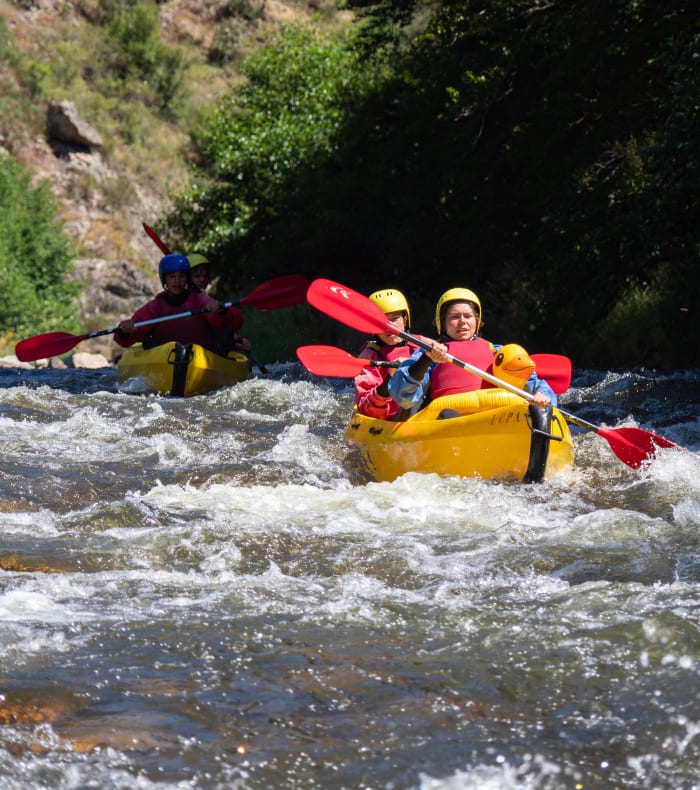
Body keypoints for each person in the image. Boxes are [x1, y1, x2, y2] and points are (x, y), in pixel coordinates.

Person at [388, 287, 557, 413]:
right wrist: (426, 360)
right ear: (442, 323)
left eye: (468, 316)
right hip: (447, 419)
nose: (462, 322)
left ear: (477, 321)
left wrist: (542, 395)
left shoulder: (496, 352)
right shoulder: (427, 353)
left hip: (494, 416)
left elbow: (535, 383)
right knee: (448, 415)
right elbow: (402, 397)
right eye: (454, 317)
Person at [114, 253, 245, 354]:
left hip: (201, 359)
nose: (177, 281)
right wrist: (124, 331)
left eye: (182, 276)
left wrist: (223, 311)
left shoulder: (199, 300)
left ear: (187, 279)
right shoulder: (156, 306)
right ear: (164, 279)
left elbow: (237, 322)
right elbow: (124, 341)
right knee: (148, 341)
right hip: (165, 360)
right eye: (172, 276)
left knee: (224, 334)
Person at [354, 289, 430, 419]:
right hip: (391, 420)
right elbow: (367, 409)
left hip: (426, 413)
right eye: (381, 322)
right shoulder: (369, 355)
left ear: (405, 320)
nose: (389, 327)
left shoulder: (423, 344)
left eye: (394, 319)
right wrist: (391, 376)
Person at [186, 251, 251, 354]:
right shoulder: (199, 299)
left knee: (226, 333)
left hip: (203, 351)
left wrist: (236, 338)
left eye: (205, 276)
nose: (202, 279)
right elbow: (223, 324)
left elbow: (235, 321)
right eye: (197, 276)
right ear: (188, 278)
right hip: (193, 351)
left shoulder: (204, 298)